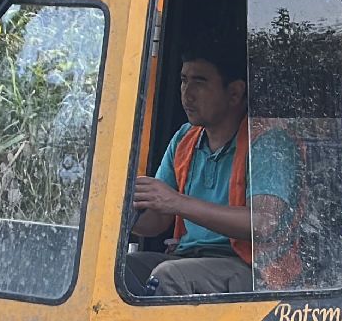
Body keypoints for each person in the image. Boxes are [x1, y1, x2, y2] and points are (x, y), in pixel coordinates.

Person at [125, 48, 299, 296]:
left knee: (169, 276)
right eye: (184, 80)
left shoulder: (268, 142)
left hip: (254, 270)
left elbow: (264, 223)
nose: (187, 93)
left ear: (234, 93)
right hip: (189, 259)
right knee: (120, 269)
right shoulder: (184, 138)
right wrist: (122, 210)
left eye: (200, 82)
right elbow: (157, 221)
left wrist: (177, 202)